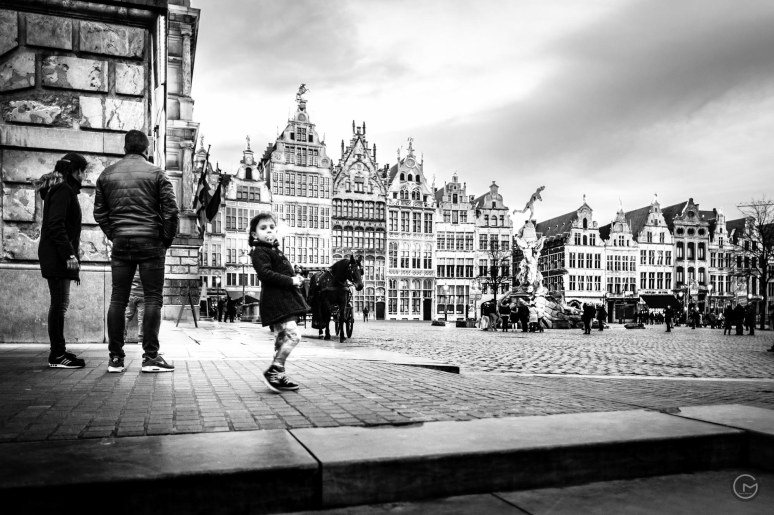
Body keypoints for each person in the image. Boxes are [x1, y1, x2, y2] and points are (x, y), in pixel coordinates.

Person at [94, 130, 178, 373]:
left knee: (118, 299)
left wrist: (115, 233)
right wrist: (165, 240)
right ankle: (150, 357)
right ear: (146, 148)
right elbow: (171, 211)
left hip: (122, 243)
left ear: (125, 147)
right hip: (151, 241)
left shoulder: (106, 174)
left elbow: (99, 213)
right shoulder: (157, 173)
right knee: (153, 298)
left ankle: (116, 359)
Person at [37, 153, 89, 369]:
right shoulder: (63, 190)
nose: (85, 177)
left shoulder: (62, 190)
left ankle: (59, 351)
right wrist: (69, 254)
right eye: (84, 171)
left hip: (58, 256)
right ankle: (57, 355)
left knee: (61, 304)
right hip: (58, 257)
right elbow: (55, 225)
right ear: (76, 171)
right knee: (59, 305)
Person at [249, 212, 309, 393]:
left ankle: (279, 376)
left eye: (271, 228)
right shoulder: (259, 251)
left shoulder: (273, 250)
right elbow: (266, 274)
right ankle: (274, 369)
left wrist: (294, 277)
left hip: (283, 302)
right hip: (276, 302)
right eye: (263, 228)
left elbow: (281, 272)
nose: (269, 231)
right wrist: (291, 281)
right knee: (294, 336)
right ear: (254, 234)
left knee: (281, 339)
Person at [123, 271, 144, 343]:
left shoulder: (132, 268)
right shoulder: (145, 268)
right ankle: (140, 338)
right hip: (142, 296)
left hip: (131, 295)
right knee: (141, 319)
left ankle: (122, 337)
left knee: (127, 316)